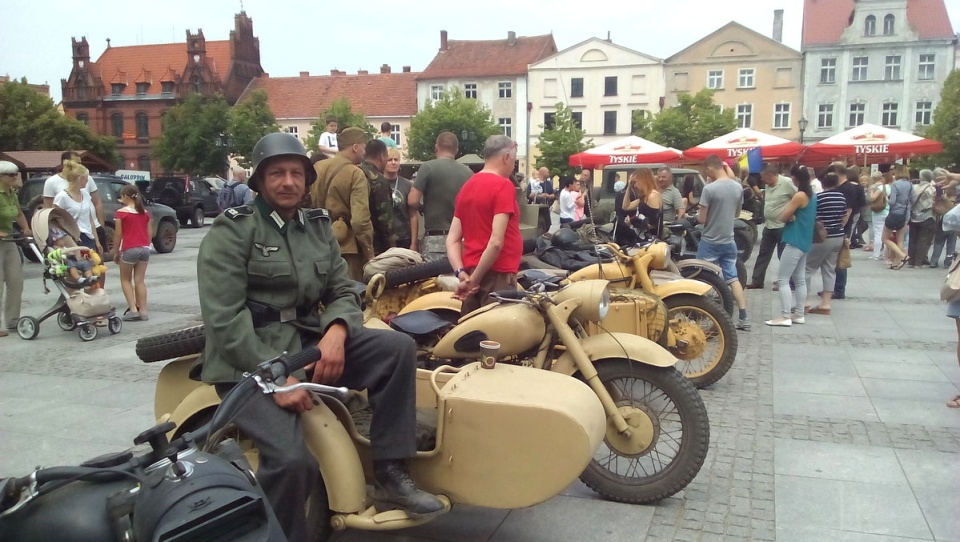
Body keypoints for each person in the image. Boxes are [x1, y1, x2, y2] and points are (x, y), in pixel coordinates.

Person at [198, 132, 444, 540]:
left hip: (309, 343)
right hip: (249, 361)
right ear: (258, 181)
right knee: (293, 461)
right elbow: (224, 319)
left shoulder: (316, 227)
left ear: (307, 180)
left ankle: (390, 472)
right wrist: (276, 379)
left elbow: (344, 290)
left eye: (297, 173)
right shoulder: (233, 231)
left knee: (396, 347)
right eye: (277, 173)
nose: (288, 182)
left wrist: (336, 330)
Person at [445, 135, 522, 315]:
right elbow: (496, 242)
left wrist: (461, 273)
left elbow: (452, 239)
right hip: (498, 275)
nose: (513, 166)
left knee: (472, 332)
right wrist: (475, 280)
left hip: (471, 271)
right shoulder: (504, 186)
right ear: (506, 157)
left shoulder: (467, 187)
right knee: (497, 337)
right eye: (514, 160)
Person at [311, 127, 375, 280]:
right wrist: (369, 251)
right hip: (346, 249)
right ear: (355, 147)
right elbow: (360, 220)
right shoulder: (355, 173)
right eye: (363, 146)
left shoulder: (317, 167)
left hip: (317, 243)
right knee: (349, 295)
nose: (365, 151)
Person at [697, 156, 750, 330]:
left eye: (706, 171)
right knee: (733, 278)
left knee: (702, 278)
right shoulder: (737, 187)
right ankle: (743, 316)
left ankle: (703, 315)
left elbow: (702, 219)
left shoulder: (709, 189)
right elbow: (736, 214)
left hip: (710, 241)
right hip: (729, 240)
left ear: (710, 169)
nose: (706, 175)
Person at [407, 131, 472, 260]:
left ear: (436, 147)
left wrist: (422, 208)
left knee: (432, 280)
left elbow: (412, 200)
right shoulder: (468, 172)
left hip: (434, 240)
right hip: (461, 240)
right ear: (456, 150)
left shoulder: (428, 167)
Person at [766, 165, 815, 327]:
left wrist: (788, 213)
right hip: (805, 240)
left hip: (794, 239)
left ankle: (785, 315)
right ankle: (799, 314)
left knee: (783, 279)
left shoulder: (799, 195)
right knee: (800, 279)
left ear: (795, 178)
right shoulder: (812, 195)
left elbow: (783, 216)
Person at [804, 172, 849, 315]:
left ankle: (805, 302)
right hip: (838, 236)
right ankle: (826, 304)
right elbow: (844, 215)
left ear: (823, 184)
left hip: (821, 237)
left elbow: (813, 216)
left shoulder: (819, 197)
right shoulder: (841, 197)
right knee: (829, 270)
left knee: (807, 269)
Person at [747, 164, 797, 290]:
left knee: (783, 256)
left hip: (782, 226)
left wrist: (792, 213)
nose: (762, 180)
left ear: (771, 175)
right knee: (763, 254)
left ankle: (787, 282)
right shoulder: (768, 185)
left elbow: (799, 198)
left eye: (763, 177)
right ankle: (757, 280)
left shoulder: (787, 183)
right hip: (769, 225)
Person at [43, 151, 106, 248]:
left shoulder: (86, 188)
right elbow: (50, 213)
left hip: (90, 231)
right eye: (77, 162)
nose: (79, 165)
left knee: (96, 261)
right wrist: (59, 237)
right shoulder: (54, 185)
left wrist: (101, 226)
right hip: (72, 234)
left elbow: (97, 202)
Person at [113, 184, 153, 321]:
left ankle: (133, 309)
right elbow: (149, 232)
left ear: (125, 197)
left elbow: (118, 234)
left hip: (129, 249)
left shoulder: (121, 213)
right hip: (144, 249)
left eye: (121, 197)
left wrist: (116, 251)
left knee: (125, 280)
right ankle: (144, 311)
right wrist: (147, 245)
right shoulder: (145, 213)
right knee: (140, 280)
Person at [827, 163, 866, 300]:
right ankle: (832, 288)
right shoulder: (853, 187)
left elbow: (847, 210)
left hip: (842, 227)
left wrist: (841, 227)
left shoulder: (846, 189)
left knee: (840, 259)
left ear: (838, 173)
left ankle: (838, 289)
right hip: (845, 226)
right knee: (835, 259)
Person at [0, 161, 30, 337]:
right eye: (11, 175)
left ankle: (12, 321)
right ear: (1, 177)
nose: (15, 177)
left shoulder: (11, 193)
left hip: (9, 238)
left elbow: (18, 213)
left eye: (16, 174)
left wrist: (25, 228)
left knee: (16, 280)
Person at [54, 160, 102, 252]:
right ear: (80, 178)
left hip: (88, 237)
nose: (88, 180)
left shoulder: (86, 195)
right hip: (72, 238)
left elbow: (90, 219)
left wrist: (97, 240)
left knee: (93, 264)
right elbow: (55, 220)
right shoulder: (62, 197)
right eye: (86, 178)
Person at [359, 139, 397, 254]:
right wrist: (393, 247)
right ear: (382, 156)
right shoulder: (378, 180)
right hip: (376, 244)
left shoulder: (354, 173)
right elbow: (386, 219)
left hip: (354, 241)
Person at [882, 163, 914, 270]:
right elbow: (912, 200)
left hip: (894, 213)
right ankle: (896, 262)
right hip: (905, 214)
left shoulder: (895, 184)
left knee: (885, 238)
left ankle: (902, 255)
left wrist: (886, 198)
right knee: (900, 239)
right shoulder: (910, 184)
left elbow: (892, 202)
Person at [384, 147, 414, 250]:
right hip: (383, 239)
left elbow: (412, 215)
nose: (393, 163)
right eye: (390, 160)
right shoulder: (377, 182)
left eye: (396, 160)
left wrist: (413, 243)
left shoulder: (407, 185)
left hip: (403, 238)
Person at [907, 169, 936, 268]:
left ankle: (911, 260)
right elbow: (931, 204)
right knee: (923, 240)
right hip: (927, 217)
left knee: (912, 239)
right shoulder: (932, 188)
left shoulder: (914, 187)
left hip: (913, 216)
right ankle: (918, 262)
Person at [623, 168, 662, 238]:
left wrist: (633, 222)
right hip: (642, 237)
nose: (634, 186)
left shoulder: (652, 196)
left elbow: (653, 225)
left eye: (635, 182)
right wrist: (629, 188)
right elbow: (625, 207)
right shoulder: (645, 197)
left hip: (650, 240)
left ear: (643, 181)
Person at [867, 171, 891, 261]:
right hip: (888, 211)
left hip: (878, 212)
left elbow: (872, 198)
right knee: (887, 234)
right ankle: (885, 254)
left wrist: (872, 192)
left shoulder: (879, 187)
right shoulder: (890, 187)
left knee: (878, 233)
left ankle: (876, 254)